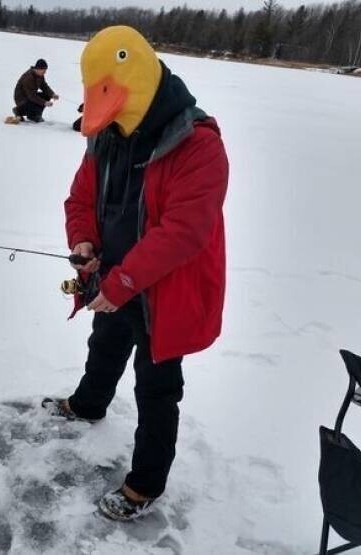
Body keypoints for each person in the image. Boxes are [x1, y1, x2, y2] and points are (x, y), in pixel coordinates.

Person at [43, 26, 229, 521]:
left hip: (161, 294)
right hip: (112, 280)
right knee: (103, 346)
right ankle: (87, 405)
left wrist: (125, 281)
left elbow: (185, 232)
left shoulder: (199, 145)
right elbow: (80, 197)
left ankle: (145, 485)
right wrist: (83, 241)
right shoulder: (107, 136)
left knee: (157, 387)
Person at [12, 59, 59, 123]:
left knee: (47, 95)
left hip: (30, 97)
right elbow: (31, 96)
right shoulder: (28, 77)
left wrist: (52, 94)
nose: (45, 72)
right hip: (22, 100)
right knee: (34, 102)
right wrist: (44, 102)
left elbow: (44, 86)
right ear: (38, 68)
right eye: (44, 70)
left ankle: (36, 115)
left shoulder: (40, 75)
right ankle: (18, 111)